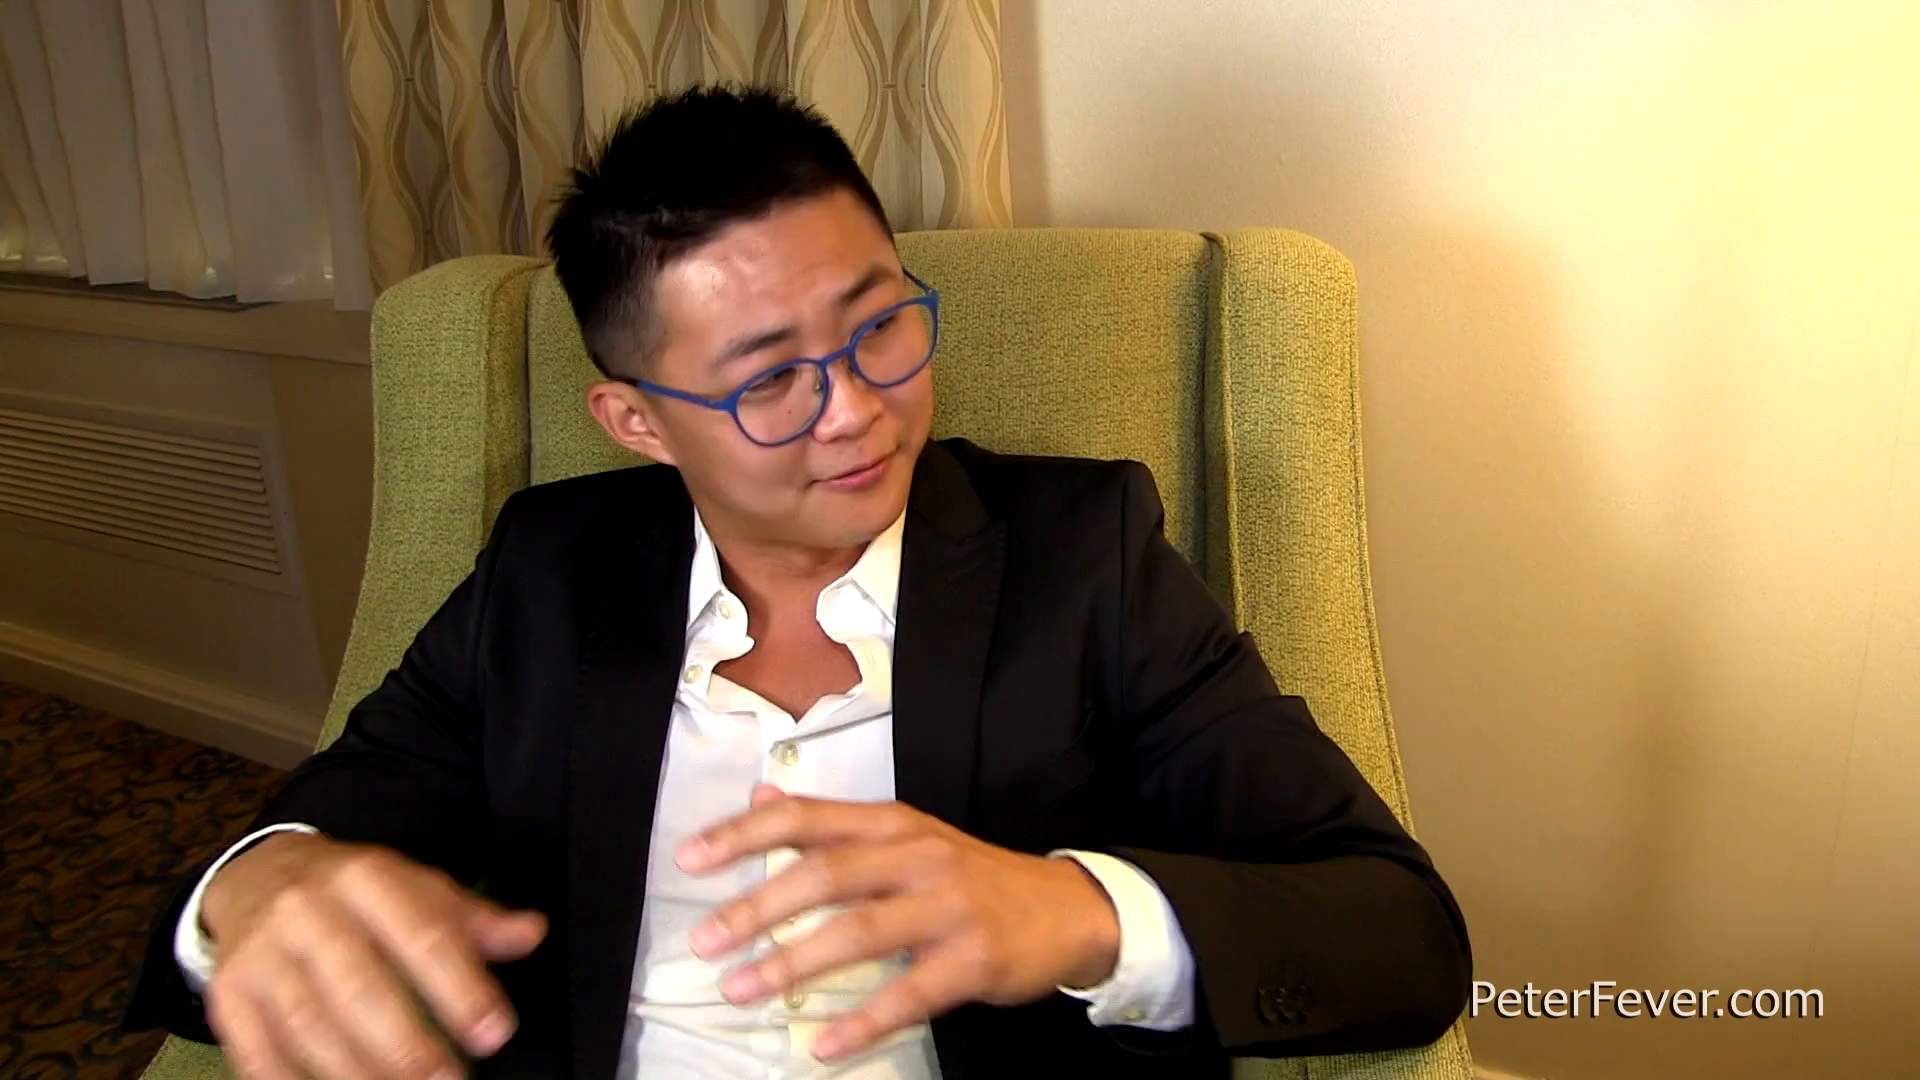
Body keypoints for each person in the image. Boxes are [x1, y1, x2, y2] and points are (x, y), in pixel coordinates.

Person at [124, 85, 1470, 1079]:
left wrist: (1074, 913)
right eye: (769, 378)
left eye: (881, 323)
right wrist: (257, 888)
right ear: (638, 422)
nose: (859, 410)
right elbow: (318, 831)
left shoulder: (1083, 554)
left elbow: (1401, 935)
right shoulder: (549, 571)